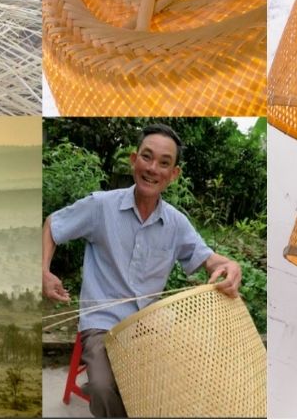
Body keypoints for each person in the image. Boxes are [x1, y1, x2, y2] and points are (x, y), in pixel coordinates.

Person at [42, 124, 242, 418]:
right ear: (133, 160)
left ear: (173, 174)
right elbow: (53, 226)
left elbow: (208, 260)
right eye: (146, 157)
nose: (153, 168)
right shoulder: (101, 207)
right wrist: (43, 271)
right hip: (101, 325)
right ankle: (104, 391)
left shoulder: (176, 224)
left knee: (180, 384)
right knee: (103, 387)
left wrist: (229, 265)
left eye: (164, 163)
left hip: (149, 327)